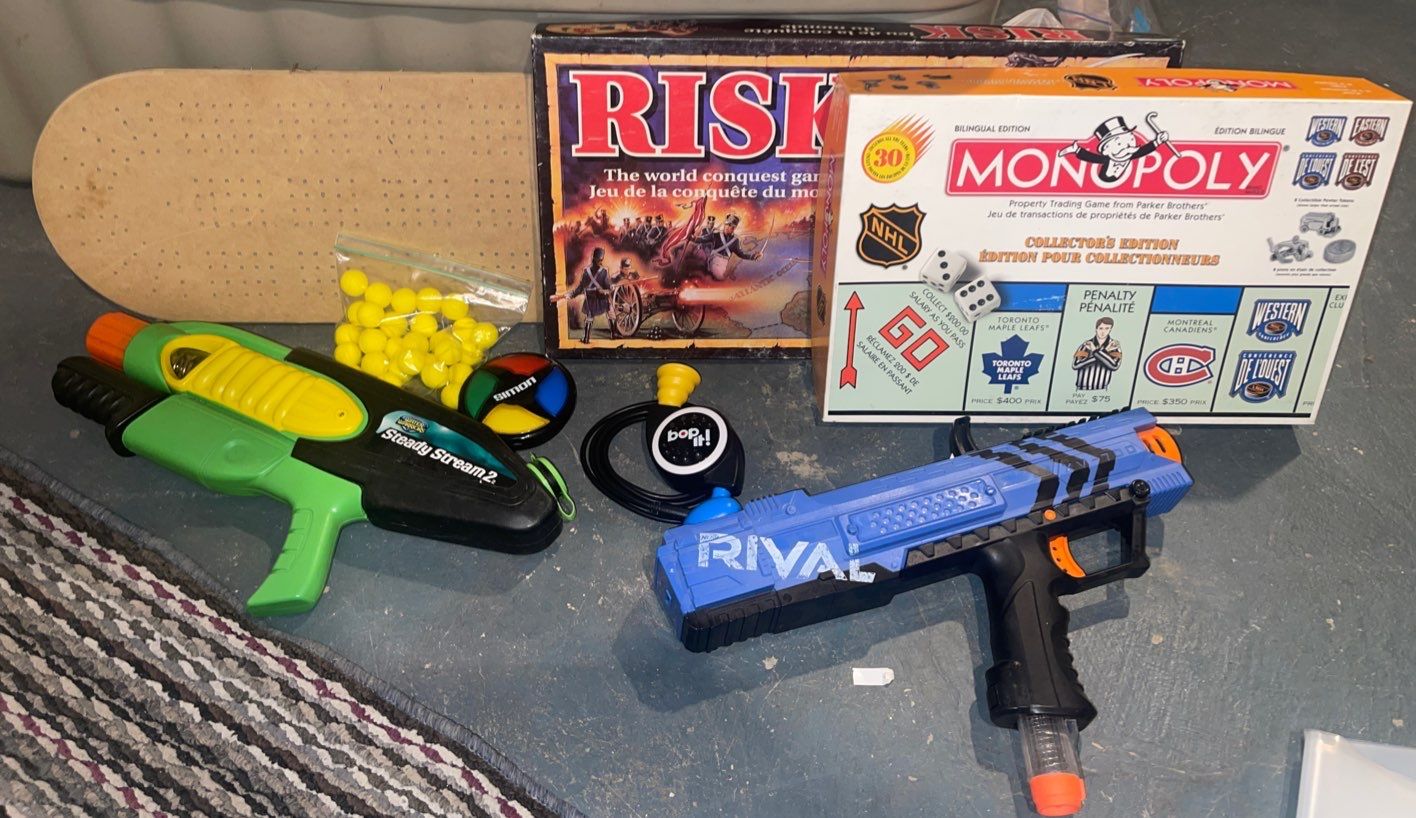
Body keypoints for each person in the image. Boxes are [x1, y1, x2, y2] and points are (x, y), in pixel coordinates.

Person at [1058, 116, 1170, 183]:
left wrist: (1158, 141)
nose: (1128, 145)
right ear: (1105, 150)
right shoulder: (1107, 159)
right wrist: (1076, 149)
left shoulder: (1130, 153)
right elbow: (1091, 157)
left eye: (1131, 138)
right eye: (1119, 143)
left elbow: (1143, 150)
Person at [550, 247, 626, 343]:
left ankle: (586, 338)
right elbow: (607, 285)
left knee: (590, 317)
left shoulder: (586, 271)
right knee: (610, 312)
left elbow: (580, 288)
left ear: (593, 257)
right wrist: (611, 287)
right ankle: (613, 334)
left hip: (591, 301)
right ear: (601, 259)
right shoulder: (604, 271)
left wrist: (572, 294)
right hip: (602, 300)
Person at [695, 213, 761, 280]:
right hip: (714, 260)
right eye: (726, 224)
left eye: (730, 226)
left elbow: (740, 254)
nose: (727, 227)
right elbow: (703, 239)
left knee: (719, 279)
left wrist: (753, 257)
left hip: (724, 263)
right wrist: (693, 238)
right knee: (718, 277)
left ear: (734, 228)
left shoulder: (735, 240)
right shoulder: (715, 235)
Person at [1072, 316, 1123, 391]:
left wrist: (1094, 350)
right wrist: (1105, 351)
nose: (1103, 332)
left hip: (1102, 389)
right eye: (1101, 328)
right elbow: (1076, 365)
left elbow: (1114, 366)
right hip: (1081, 389)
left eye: (1107, 328)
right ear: (1096, 329)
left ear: (1110, 329)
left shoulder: (1114, 346)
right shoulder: (1087, 344)